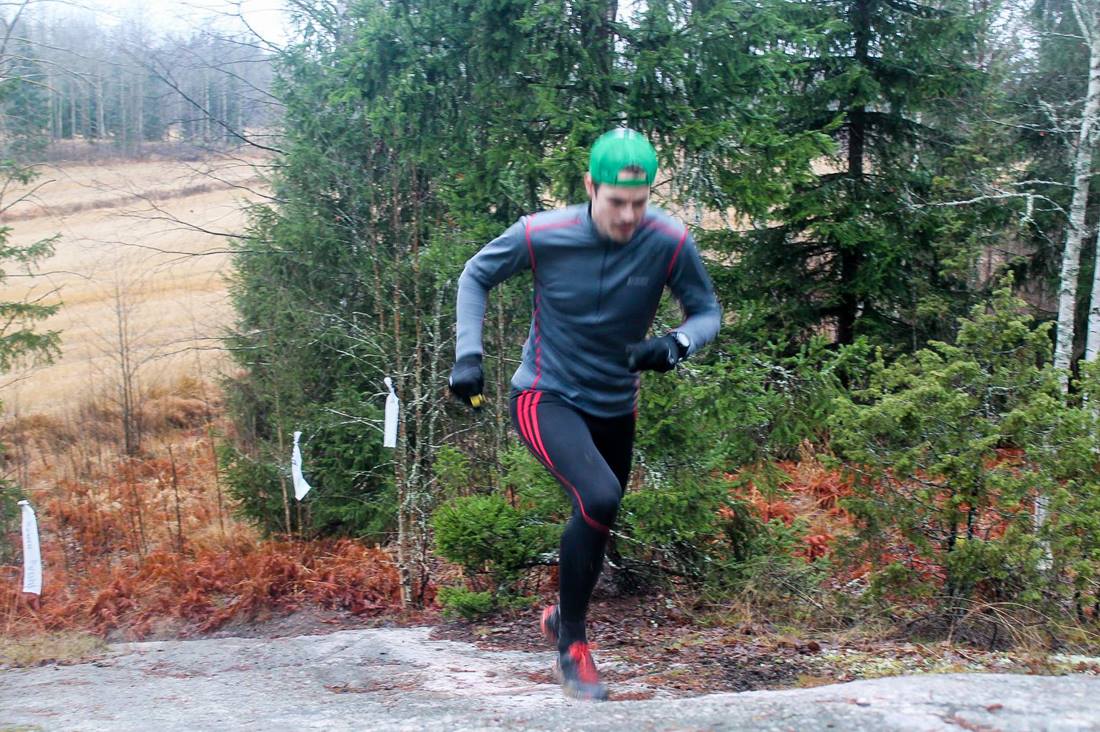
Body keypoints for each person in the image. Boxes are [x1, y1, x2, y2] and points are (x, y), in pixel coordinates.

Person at [448, 128, 721, 701]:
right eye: (616, 201)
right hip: (544, 395)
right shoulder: (542, 234)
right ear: (590, 187)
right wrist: (469, 355)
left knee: (598, 514)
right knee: (599, 495)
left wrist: (676, 345)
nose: (628, 216)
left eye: (639, 203)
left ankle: (560, 617)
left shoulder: (668, 241)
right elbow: (476, 275)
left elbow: (706, 313)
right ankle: (572, 645)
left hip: (615, 405)